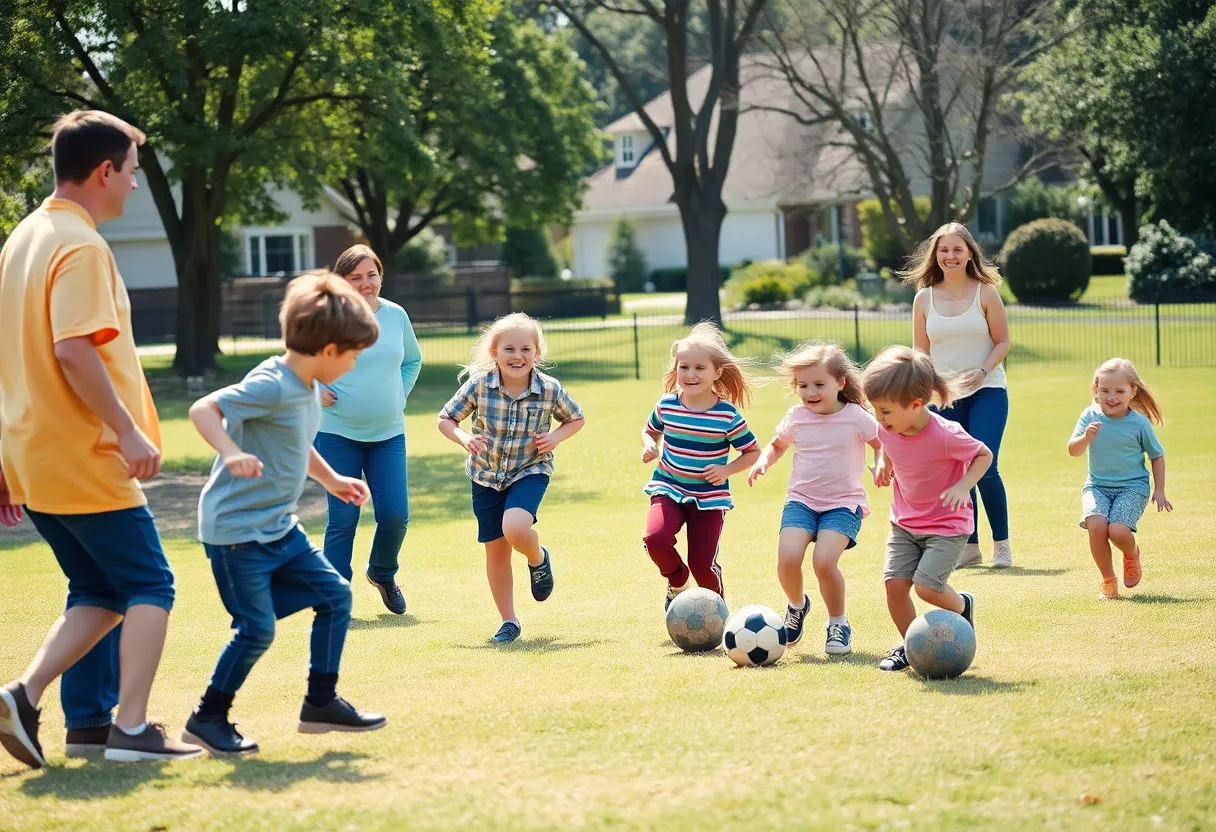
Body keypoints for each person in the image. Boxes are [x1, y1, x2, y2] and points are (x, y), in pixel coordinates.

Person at [0, 110, 201, 767]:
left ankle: (70, 716)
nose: (135, 187)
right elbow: (73, 352)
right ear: (104, 171)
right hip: (84, 451)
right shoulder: (80, 245)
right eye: (133, 173)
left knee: (99, 588)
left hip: (33, 453)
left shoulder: (23, 238)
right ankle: (133, 731)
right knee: (151, 583)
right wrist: (127, 429)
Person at [182, 273, 387, 755]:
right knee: (256, 629)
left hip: (278, 524)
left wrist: (332, 480)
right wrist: (231, 452)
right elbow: (202, 410)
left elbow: (297, 444)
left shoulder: (309, 386)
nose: (355, 364)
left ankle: (320, 702)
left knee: (335, 596)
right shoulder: (273, 383)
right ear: (330, 348)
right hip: (236, 532)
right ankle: (206, 718)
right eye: (354, 355)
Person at [438, 313, 585, 644]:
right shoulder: (479, 385)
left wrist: (557, 437)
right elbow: (446, 419)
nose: (517, 356)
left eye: (525, 349)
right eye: (509, 349)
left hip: (530, 469)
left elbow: (576, 419)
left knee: (516, 528)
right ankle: (509, 621)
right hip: (485, 475)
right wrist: (464, 439)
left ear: (537, 352)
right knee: (496, 551)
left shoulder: (549, 390)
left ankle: (538, 558)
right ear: (494, 352)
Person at [747, 343, 884, 655]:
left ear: (841, 383)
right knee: (788, 559)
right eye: (802, 385)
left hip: (843, 504)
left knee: (824, 562)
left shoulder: (856, 417)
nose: (810, 392)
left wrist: (880, 462)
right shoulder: (797, 416)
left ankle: (838, 622)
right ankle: (797, 606)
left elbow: (881, 443)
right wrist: (763, 462)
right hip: (802, 500)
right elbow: (777, 444)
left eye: (819, 384)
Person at [862, 346, 991, 673]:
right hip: (904, 522)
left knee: (927, 587)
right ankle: (911, 647)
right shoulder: (885, 427)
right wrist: (883, 465)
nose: (879, 418)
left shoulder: (946, 435)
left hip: (947, 527)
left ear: (916, 404)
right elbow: (887, 447)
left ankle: (963, 605)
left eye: (886, 410)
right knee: (894, 586)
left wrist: (963, 486)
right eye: (875, 409)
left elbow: (983, 455)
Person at [314, 244, 422, 615]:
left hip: (388, 435)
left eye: (371, 275)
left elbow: (412, 360)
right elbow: (300, 362)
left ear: (380, 276)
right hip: (335, 434)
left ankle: (382, 572)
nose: (365, 283)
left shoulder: (396, 316)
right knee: (343, 518)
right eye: (355, 277)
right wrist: (317, 388)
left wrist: (399, 394)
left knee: (395, 516)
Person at [904, 222, 1013, 569]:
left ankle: (1002, 545)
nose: (950, 256)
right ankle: (971, 546)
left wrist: (980, 373)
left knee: (986, 464)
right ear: (935, 255)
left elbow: (1003, 343)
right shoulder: (923, 298)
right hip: (943, 397)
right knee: (954, 470)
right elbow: (920, 353)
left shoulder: (986, 292)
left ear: (969, 254)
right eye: (943, 250)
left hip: (988, 391)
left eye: (957, 250)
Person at [641, 323, 760, 610]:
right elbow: (650, 430)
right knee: (655, 539)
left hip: (709, 499)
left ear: (717, 372)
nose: (690, 374)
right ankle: (677, 581)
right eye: (684, 367)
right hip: (668, 487)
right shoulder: (667, 405)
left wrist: (727, 470)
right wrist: (649, 444)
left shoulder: (727, 416)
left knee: (702, 566)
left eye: (699, 368)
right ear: (676, 368)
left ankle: (715, 613)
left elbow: (753, 451)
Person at [1068, 358, 1171, 600]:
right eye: (1104, 391)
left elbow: (1157, 456)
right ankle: (1108, 581)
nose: (1111, 397)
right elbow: (1073, 450)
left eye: (1119, 391)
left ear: (1132, 392)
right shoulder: (1089, 416)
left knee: (1117, 531)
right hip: (1097, 486)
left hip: (1132, 488)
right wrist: (1086, 437)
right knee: (1096, 524)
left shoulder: (1139, 423)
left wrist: (1160, 490)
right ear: (1096, 389)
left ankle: (1132, 554)